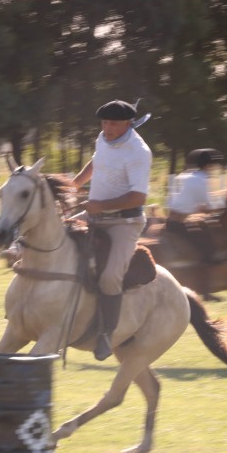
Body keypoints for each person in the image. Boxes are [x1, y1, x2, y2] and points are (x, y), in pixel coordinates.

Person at [72, 99, 152, 361]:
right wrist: (72, 185)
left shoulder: (139, 152)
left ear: (128, 123)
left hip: (124, 223)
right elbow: (95, 163)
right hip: (95, 214)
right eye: (104, 122)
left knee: (109, 277)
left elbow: (138, 198)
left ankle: (106, 334)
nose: (107, 127)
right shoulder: (103, 138)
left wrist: (99, 206)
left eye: (113, 123)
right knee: (57, 239)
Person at [166, 148, 225, 301]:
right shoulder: (201, 179)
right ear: (207, 165)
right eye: (212, 165)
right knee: (207, 250)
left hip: (172, 221)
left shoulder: (183, 176)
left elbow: (179, 202)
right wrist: (224, 204)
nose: (213, 168)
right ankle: (205, 292)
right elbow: (206, 208)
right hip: (179, 224)